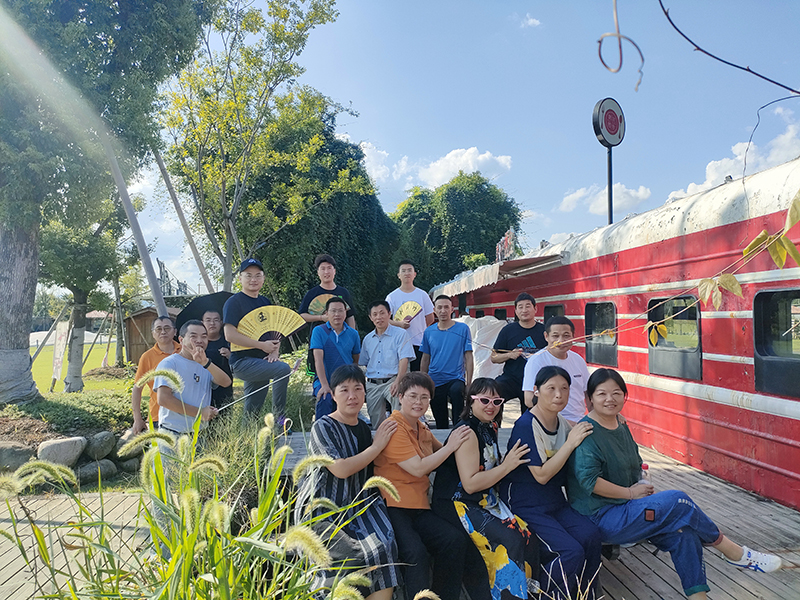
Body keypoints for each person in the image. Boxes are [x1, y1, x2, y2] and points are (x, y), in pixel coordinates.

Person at [568, 368, 783, 600]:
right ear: (589, 398)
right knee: (679, 501)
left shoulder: (620, 425)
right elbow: (590, 482)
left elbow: (635, 463)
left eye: (616, 393)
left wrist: (641, 481)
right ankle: (735, 553)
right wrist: (630, 493)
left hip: (630, 509)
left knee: (684, 533)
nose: (610, 399)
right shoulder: (587, 431)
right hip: (601, 517)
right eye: (602, 394)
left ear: (624, 395)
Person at [295, 364, 400, 600]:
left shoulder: (363, 427)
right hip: (324, 507)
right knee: (350, 556)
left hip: (358, 503)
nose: (352, 396)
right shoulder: (323, 426)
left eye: (357, 389)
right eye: (344, 390)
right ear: (333, 395)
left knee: (384, 545)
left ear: (365, 393)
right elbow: (340, 469)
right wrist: (377, 446)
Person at [432, 377, 540, 600]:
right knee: (510, 540)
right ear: (470, 401)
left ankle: (526, 594)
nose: (491, 406)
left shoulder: (490, 426)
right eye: (484, 400)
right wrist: (507, 466)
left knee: (526, 534)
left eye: (497, 401)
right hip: (457, 502)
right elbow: (470, 484)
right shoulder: (467, 433)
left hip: (483, 500)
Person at [500, 366, 601, 599]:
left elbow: (590, 427)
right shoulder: (526, 425)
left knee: (591, 536)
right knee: (569, 552)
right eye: (551, 388)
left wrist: (614, 418)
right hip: (525, 504)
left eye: (564, 388)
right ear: (536, 390)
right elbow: (541, 475)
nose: (559, 395)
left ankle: (584, 595)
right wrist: (570, 443)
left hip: (554, 501)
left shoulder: (562, 423)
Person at [374, 372, 473, 600]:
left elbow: (445, 456)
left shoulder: (421, 428)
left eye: (424, 397)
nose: (418, 402)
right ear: (400, 397)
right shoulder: (393, 427)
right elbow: (418, 468)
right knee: (415, 553)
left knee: (453, 540)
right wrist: (451, 446)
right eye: (413, 396)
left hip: (419, 507)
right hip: (393, 507)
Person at [223, 258, 291, 425]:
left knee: (252, 411)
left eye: (257, 275)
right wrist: (261, 345)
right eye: (248, 275)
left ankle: (246, 438)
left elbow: (274, 332)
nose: (253, 279)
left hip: (262, 361)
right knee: (283, 369)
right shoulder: (233, 302)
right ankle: (279, 421)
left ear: (263, 278)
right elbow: (229, 335)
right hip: (242, 362)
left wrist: (274, 351)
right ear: (240, 278)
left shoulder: (264, 302)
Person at [152, 319, 231, 435]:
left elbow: (226, 382)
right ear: (181, 340)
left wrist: (206, 363)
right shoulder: (169, 363)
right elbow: (163, 399)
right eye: (193, 336)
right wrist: (200, 413)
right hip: (173, 433)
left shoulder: (206, 364)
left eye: (204, 337)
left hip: (200, 433)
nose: (199, 340)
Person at [359, 300, 416, 429]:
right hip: (373, 383)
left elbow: (404, 360)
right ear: (370, 317)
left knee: (400, 416)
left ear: (389, 314)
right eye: (375, 314)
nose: (379, 317)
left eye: (382, 313)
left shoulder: (401, 334)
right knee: (376, 422)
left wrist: (398, 381)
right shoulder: (368, 339)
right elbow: (364, 362)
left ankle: (401, 437)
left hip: (393, 380)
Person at [522, 316, 589, 423]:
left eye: (566, 336)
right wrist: (560, 422)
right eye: (555, 336)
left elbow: (588, 393)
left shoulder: (578, 360)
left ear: (573, 336)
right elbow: (529, 400)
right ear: (546, 336)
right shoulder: (536, 361)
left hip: (580, 420)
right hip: (552, 422)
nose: (561, 341)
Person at [299, 254, 356, 378]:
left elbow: (350, 316)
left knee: (344, 373)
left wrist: (351, 336)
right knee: (320, 371)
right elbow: (302, 316)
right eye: (323, 268)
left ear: (334, 271)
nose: (326, 272)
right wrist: (321, 318)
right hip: (320, 340)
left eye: (329, 268)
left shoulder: (343, 292)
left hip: (341, 338)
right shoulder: (312, 293)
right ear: (318, 272)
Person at [420, 295, 473, 429]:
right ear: (434, 310)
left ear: (452, 309)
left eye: (446, 307)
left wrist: (469, 383)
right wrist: (423, 380)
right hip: (435, 379)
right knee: (440, 420)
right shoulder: (429, 331)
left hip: (456, 378)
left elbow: (468, 356)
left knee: (457, 392)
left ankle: (459, 428)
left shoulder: (462, 329)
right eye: (439, 307)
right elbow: (425, 358)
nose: (443, 310)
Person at [491, 293, 546, 411]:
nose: (524, 310)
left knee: (531, 412)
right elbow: (494, 357)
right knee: (493, 392)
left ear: (535, 309)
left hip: (535, 380)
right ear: (516, 311)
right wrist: (509, 355)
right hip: (511, 378)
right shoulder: (508, 330)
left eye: (528, 306)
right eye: (520, 307)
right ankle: (494, 422)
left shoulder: (544, 331)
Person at [310, 296, 361, 419]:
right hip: (323, 380)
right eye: (333, 311)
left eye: (340, 310)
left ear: (345, 312)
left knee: (349, 400)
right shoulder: (319, 331)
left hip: (345, 381)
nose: (337, 314)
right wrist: (324, 385)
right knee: (325, 397)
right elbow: (318, 360)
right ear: (326, 313)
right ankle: (321, 429)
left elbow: (355, 361)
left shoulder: (353, 334)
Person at [131, 316, 180, 434]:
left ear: (175, 331)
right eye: (158, 329)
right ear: (153, 334)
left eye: (167, 328)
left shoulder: (185, 351)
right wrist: (137, 418)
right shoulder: (147, 357)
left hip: (185, 414)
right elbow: (137, 388)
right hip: (158, 416)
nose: (163, 332)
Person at [386, 259, 434, 371]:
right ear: (399, 275)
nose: (406, 273)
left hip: (419, 342)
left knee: (417, 375)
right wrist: (399, 324)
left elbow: (430, 317)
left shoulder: (422, 295)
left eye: (409, 270)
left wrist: (419, 328)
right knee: (400, 375)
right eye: (403, 271)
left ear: (414, 274)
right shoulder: (392, 297)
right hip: (398, 343)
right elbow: (385, 320)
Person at [201, 310, 233, 408]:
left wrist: (230, 356)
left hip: (225, 387)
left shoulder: (229, 340)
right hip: (202, 386)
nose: (212, 323)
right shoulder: (198, 342)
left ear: (221, 322)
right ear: (202, 323)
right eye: (208, 320)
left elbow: (239, 363)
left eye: (216, 320)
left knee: (225, 413)